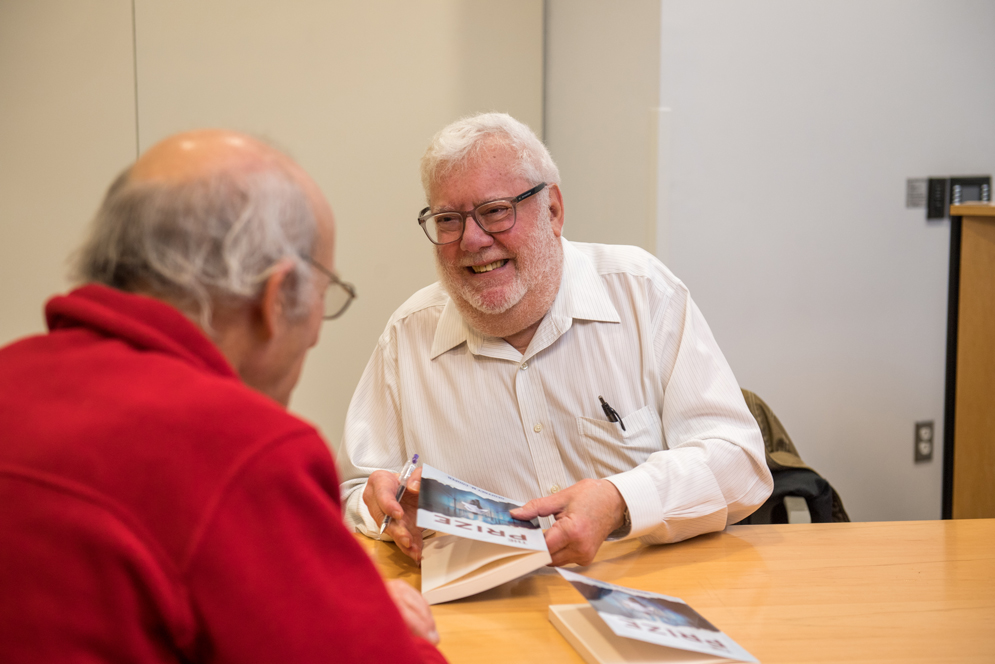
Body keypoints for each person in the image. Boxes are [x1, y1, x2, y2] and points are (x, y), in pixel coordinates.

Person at [0, 131, 445, 663]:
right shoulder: (242, 451)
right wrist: (376, 622)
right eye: (322, 300)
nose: (316, 336)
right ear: (276, 299)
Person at [338, 113, 773, 568]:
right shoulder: (408, 335)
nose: (472, 239)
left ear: (553, 210)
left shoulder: (641, 293)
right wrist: (385, 511)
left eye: (495, 212)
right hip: (489, 614)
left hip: (648, 593)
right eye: (449, 219)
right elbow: (356, 490)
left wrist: (621, 500)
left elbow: (739, 462)